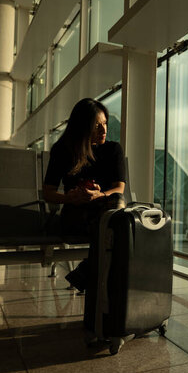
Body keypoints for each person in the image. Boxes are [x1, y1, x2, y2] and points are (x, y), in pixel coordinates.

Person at [43, 98, 126, 291]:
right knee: (117, 231)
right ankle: (90, 277)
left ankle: (85, 273)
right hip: (76, 215)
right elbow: (48, 192)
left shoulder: (113, 150)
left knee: (116, 202)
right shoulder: (63, 151)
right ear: (82, 127)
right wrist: (69, 198)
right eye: (97, 126)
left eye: (105, 124)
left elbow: (118, 188)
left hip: (104, 213)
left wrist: (100, 195)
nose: (104, 130)